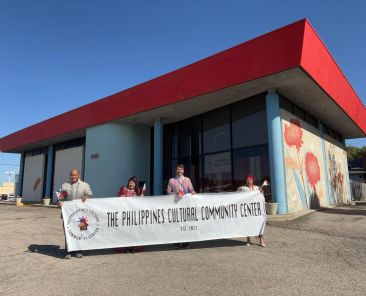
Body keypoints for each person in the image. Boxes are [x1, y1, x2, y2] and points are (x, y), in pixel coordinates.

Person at [58, 168, 93, 259]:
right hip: (68, 214)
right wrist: (60, 202)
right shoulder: (64, 185)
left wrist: (86, 197)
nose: (73, 177)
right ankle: (68, 251)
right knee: (68, 232)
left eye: (75, 175)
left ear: (79, 175)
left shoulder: (85, 185)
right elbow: (61, 198)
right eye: (71, 175)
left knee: (80, 231)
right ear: (70, 176)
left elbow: (90, 196)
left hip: (81, 214)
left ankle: (78, 250)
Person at [167, 164, 195, 249]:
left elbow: (191, 190)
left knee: (186, 223)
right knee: (176, 223)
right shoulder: (172, 180)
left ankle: (186, 243)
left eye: (180, 169)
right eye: (177, 169)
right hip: (176, 204)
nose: (179, 171)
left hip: (186, 205)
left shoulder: (187, 179)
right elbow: (168, 192)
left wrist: (193, 192)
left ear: (183, 171)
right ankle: (176, 243)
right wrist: (175, 193)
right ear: (176, 171)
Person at [116, 176, 143, 253]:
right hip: (125, 214)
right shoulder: (124, 189)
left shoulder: (138, 192)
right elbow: (117, 197)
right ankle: (125, 247)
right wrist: (122, 197)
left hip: (134, 215)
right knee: (125, 231)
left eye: (133, 183)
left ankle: (133, 247)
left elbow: (142, 203)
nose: (131, 184)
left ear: (135, 184)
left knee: (134, 231)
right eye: (130, 183)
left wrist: (141, 197)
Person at [237, 175, 266, 247]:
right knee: (248, 224)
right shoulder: (244, 188)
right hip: (247, 210)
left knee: (259, 224)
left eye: (250, 180)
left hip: (256, 210)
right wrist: (240, 188)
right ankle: (248, 240)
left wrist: (261, 191)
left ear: (252, 181)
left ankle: (261, 239)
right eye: (247, 180)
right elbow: (237, 191)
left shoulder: (256, 188)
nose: (248, 181)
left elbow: (261, 196)